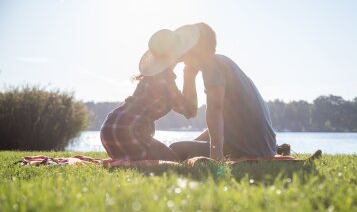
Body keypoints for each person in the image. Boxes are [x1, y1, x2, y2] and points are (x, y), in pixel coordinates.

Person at [169, 23, 277, 160]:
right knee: (181, 148)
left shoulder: (212, 64)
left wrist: (216, 153)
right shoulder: (221, 61)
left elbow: (215, 109)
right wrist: (188, 75)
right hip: (264, 148)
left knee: (175, 150)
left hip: (247, 149)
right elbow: (191, 111)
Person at [100, 26, 200, 161]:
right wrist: (189, 76)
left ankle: (127, 160)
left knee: (160, 159)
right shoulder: (166, 80)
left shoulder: (151, 77)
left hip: (110, 128)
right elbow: (190, 111)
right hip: (129, 131)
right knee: (173, 162)